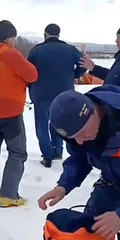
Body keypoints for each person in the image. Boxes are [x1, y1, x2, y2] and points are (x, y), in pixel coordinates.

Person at [38, 84, 120, 240]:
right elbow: (79, 158)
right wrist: (64, 186)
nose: (79, 141)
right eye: (73, 138)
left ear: (93, 114)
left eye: (81, 134)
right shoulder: (81, 128)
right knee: (88, 232)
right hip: (116, 180)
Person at [0, 20, 38, 208]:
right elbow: (32, 75)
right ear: (10, 37)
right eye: (14, 37)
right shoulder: (10, 54)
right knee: (17, 153)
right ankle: (9, 195)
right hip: (11, 112)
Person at [27, 23, 86, 167]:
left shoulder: (36, 51)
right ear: (58, 34)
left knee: (42, 126)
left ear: (45, 34)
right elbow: (84, 64)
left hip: (41, 94)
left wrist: (31, 87)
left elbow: (28, 72)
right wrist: (75, 74)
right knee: (58, 122)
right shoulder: (70, 50)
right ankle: (58, 151)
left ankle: (47, 156)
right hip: (64, 94)